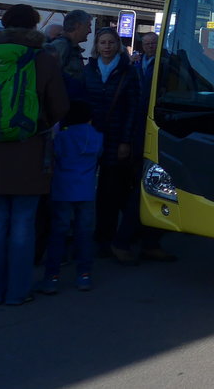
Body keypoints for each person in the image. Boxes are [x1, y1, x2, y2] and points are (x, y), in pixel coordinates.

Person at [0, 4, 68, 306]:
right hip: (30, 153)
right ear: (33, 27)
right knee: (24, 224)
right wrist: (39, 125)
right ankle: (16, 292)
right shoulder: (43, 59)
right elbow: (61, 107)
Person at [79, 27, 144, 264]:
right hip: (91, 135)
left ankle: (108, 238)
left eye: (111, 43)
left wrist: (126, 140)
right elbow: (82, 101)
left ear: (118, 46)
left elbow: (133, 109)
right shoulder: (89, 71)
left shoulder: (129, 72)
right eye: (102, 43)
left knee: (110, 188)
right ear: (96, 47)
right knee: (86, 188)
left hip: (117, 137)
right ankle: (100, 237)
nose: (106, 46)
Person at [39, 99, 101, 294]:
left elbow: (52, 157)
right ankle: (84, 276)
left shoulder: (61, 138)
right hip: (86, 191)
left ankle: (52, 278)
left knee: (58, 234)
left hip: (62, 191)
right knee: (84, 234)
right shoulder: (97, 137)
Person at [47, 10, 92, 85]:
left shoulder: (71, 47)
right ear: (78, 26)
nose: (90, 31)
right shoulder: (61, 46)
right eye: (88, 26)